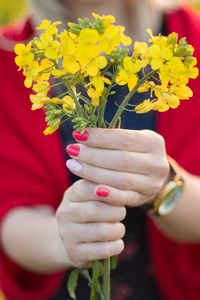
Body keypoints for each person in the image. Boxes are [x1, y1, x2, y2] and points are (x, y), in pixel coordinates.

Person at [0, 0, 200, 299]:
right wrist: (63, 240)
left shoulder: (186, 39)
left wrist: (164, 186)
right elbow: (13, 213)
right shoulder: (12, 55)